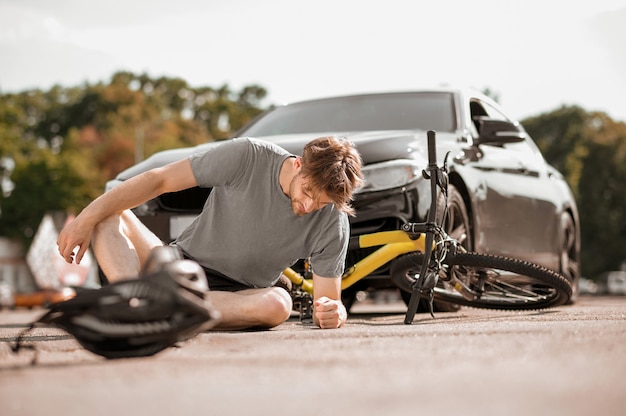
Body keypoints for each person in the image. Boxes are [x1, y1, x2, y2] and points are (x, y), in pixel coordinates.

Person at [57, 136, 363, 330]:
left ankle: (161, 309)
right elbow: (159, 180)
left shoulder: (332, 220)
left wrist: (336, 314)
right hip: (178, 265)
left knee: (279, 306)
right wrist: (85, 218)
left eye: (321, 202)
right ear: (298, 165)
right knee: (108, 213)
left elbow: (328, 302)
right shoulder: (248, 156)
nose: (309, 206)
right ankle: (133, 308)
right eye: (308, 191)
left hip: (239, 293)